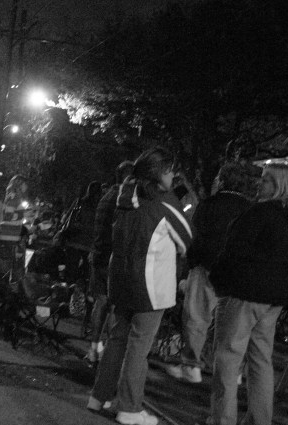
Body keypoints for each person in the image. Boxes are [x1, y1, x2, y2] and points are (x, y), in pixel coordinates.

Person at [88, 147, 193, 425]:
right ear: (159, 173)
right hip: (150, 284)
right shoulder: (164, 202)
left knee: (117, 339)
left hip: (120, 279)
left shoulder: (123, 196)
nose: (174, 176)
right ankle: (130, 409)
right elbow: (186, 239)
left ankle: (99, 397)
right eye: (170, 171)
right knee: (139, 347)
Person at [208, 163, 288, 425]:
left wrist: (217, 278)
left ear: (279, 186)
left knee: (228, 360)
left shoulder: (259, 213)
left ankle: (222, 420)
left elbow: (233, 251)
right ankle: (260, 420)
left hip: (243, 294)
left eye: (266, 180)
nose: (259, 184)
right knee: (261, 362)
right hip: (272, 299)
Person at [164, 161, 259, 384]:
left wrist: (192, 263)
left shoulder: (208, 205)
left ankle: (191, 365)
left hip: (206, 265)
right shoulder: (249, 208)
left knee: (196, 316)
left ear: (222, 180)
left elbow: (194, 235)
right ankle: (231, 370)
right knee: (233, 323)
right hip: (236, 271)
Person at [86, 160, 135, 364]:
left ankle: (93, 348)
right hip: (112, 259)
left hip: (98, 255)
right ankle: (107, 353)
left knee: (101, 302)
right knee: (115, 305)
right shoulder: (122, 200)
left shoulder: (106, 197)